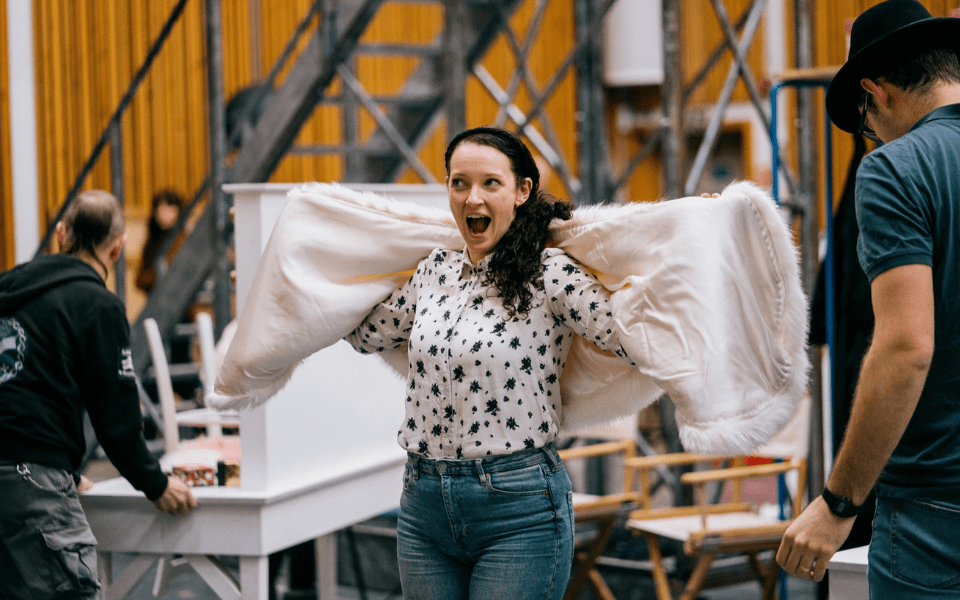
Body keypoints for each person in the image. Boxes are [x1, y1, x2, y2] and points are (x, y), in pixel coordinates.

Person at [343, 126, 635, 599]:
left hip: (519, 510)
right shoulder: (434, 270)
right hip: (423, 508)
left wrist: (688, 240)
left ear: (522, 191)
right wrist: (294, 285)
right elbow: (367, 334)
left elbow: (632, 337)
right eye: (459, 183)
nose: (471, 198)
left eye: (490, 184)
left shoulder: (550, 273)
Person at [776, 1, 960, 596]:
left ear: (875, 93)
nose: (870, 137)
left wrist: (838, 502)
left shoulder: (896, 168)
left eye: (862, 121)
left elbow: (907, 347)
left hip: (937, 505)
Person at [0, 189, 197, 599]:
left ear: (60, 234)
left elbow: (20, 388)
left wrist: (66, 472)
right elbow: (118, 420)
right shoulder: (98, 306)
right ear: (118, 248)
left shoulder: (8, 292)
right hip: (33, 487)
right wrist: (155, 484)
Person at [136, 189, 185, 293]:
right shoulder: (152, 241)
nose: (166, 214)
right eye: (162, 209)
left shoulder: (181, 240)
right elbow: (140, 280)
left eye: (171, 210)